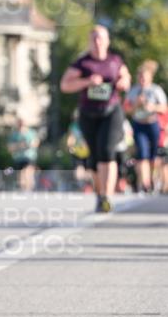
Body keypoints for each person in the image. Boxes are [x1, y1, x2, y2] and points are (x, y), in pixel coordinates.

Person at [60, 25, 131, 213]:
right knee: (94, 157)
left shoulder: (114, 60)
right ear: (90, 42)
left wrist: (124, 82)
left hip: (111, 111)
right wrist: (87, 82)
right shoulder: (82, 63)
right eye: (94, 39)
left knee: (107, 150)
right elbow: (65, 85)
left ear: (107, 41)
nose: (98, 42)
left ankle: (107, 196)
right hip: (88, 113)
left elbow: (125, 76)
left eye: (101, 38)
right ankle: (100, 196)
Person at [124, 61, 167, 194]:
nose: (142, 79)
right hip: (139, 125)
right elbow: (127, 109)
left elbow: (164, 108)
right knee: (142, 154)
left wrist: (152, 107)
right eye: (140, 77)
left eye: (145, 77)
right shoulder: (134, 91)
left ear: (150, 78)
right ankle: (146, 184)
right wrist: (136, 104)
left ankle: (155, 179)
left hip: (153, 124)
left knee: (154, 156)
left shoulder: (155, 90)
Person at [8, 117, 40, 192]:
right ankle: (23, 188)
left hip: (29, 156)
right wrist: (19, 146)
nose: (21, 126)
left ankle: (29, 188)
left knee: (28, 171)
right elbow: (10, 147)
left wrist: (29, 145)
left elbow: (36, 142)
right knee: (21, 174)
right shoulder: (14, 134)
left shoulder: (31, 133)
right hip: (18, 157)